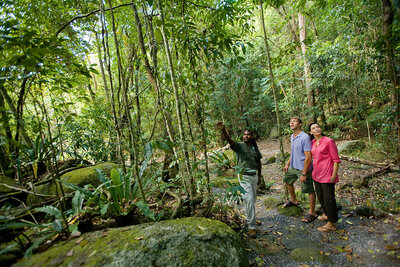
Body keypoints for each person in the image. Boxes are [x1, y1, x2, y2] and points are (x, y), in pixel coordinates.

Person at [216, 122, 262, 238]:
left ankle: (252, 217)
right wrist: (223, 130)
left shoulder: (254, 147)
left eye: (248, 134)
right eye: (244, 134)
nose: (246, 136)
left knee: (253, 199)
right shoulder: (239, 146)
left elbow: (258, 162)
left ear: (251, 137)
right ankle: (251, 226)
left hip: (254, 176)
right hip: (244, 176)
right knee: (249, 199)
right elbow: (230, 141)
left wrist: (259, 176)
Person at [283, 116, 317, 223]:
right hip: (293, 166)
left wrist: (304, 173)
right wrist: (287, 164)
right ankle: (294, 200)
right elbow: (293, 152)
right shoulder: (293, 136)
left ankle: (312, 213)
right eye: (290, 121)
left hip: (303, 168)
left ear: (300, 124)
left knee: (309, 190)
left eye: (294, 121)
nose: (292, 123)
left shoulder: (305, 137)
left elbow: (308, 156)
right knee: (287, 180)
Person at [308, 122, 341, 232]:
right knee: (321, 197)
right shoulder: (312, 142)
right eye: (314, 128)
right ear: (310, 132)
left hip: (327, 174)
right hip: (316, 174)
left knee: (329, 199)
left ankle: (332, 223)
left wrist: (334, 174)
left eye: (318, 127)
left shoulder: (328, 141)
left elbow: (336, 160)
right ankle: (327, 215)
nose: (317, 129)